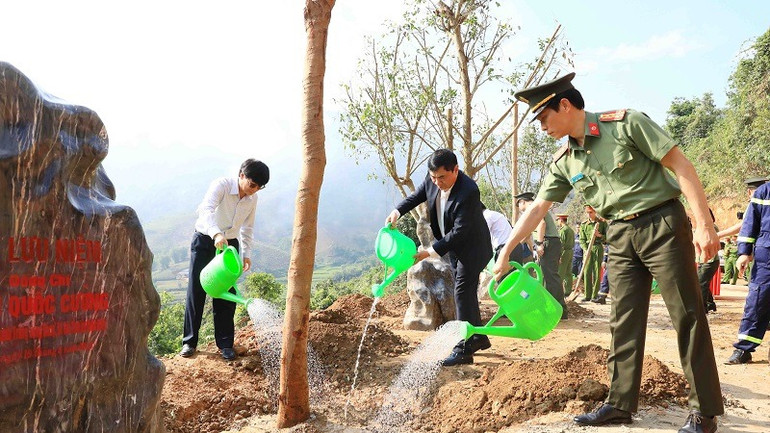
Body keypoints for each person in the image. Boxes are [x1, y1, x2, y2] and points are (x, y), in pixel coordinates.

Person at [493, 73, 723, 433]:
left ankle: (703, 412)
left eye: (543, 118)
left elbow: (680, 165)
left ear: (565, 105)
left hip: (661, 223)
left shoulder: (626, 124)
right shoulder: (564, 161)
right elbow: (538, 208)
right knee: (622, 319)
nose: (542, 128)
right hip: (618, 234)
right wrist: (507, 249)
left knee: (687, 315)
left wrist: (704, 224)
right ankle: (619, 403)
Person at [386, 149, 492, 366]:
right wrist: (397, 212)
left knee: (461, 291)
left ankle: (464, 349)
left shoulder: (469, 191)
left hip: (473, 248)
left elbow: (460, 232)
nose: (437, 182)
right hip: (454, 249)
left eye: (442, 177)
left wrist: (429, 252)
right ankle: (478, 337)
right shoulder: (432, 178)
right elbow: (417, 196)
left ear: (456, 170)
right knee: (465, 292)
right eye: (433, 177)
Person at [180, 159, 269, 361]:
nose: (254, 190)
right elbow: (205, 209)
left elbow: (247, 228)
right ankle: (189, 342)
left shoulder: (252, 199)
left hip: (230, 246)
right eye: (252, 185)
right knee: (197, 290)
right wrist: (215, 234)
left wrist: (246, 254)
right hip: (205, 240)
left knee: (226, 294)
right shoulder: (222, 185)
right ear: (242, 175)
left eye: (259, 188)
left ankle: (226, 344)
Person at [725, 181, 770, 365]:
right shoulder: (764, 192)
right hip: (766, 258)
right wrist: (744, 252)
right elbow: (750, 222)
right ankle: (743, 349)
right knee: (757, 301)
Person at [516, 192, 567, 318]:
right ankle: (551, 308)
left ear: (522, 202)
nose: (520, 209)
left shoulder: (533, 207)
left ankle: (559, 310)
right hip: (549, 242)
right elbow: (527, 234)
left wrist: (539, 243)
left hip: (548, 242)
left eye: (519, 206)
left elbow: (541, 224)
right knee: (545, 276)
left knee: (550, 276)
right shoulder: (536, 207)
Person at [579, 205, 607, 302]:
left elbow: (608, 238)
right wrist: (586, 250)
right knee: (586, 272)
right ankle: (587, 295)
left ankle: (595, 295)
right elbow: (582, 240)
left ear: (595, 212)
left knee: (596, 271)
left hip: (597, 247)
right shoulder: (584, 224)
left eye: (591, 212)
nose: (589, 215)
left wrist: (599, 235)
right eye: (587, 213)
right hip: (587, 249)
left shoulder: (602, 223)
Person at [698, 209, 720, 313]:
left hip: (710, 261)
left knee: (701, 284)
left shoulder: (711, 228)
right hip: (704, 261)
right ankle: (710, 304)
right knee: (703, 283)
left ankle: (702, 309)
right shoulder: (703, 228)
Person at [556, 214, 575, 296]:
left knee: (561, 272)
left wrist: (559, 256)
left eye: (558, 220)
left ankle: (558, 291)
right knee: (568, 272)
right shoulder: (570, 230)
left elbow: (561, 244)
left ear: (561, 220)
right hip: (570, 251)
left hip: (564, 252)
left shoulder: (563, 230)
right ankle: (568, 291)